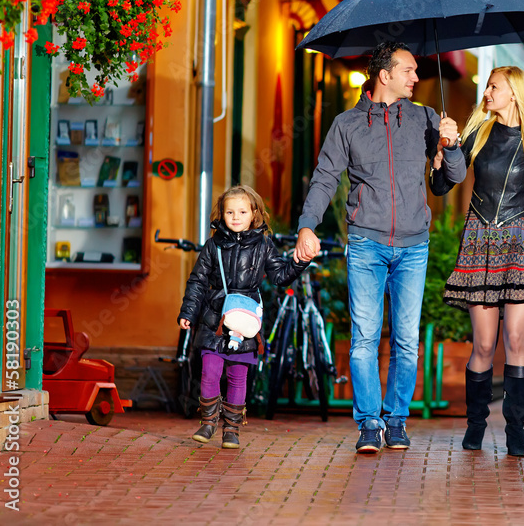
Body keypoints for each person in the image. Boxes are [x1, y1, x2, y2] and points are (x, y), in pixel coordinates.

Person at [294, 41, 465, 454]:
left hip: (413, 246)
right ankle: (369, 423)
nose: (416, 77)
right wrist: (306, 226)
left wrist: (451, 145)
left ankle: (397, 420)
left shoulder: (426, 118)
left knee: (407, 340)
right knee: (365, 338)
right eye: (408, 70)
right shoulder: (347, 125)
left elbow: (449, 181)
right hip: (367, 242)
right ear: (384, 75)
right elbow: (324, 178)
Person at [430, 66, 524, 457]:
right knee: (485, 344)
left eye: (493, 87)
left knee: (516, 339)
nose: (486, 92)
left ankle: (515, 431)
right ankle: (475, 426)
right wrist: (445, 152)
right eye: (487, 86)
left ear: (513, 94)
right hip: (480, 240)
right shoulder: (476, 133)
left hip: (522, 239)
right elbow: (441, 188)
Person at [178, 185, 308, 449]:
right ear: (222, 214)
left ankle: (232, 428)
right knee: (210, 371)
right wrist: (188, 312)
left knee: (239, 375)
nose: (235, 217)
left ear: (254, 214)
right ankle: (208, 421)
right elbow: (198, 281)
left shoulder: (263, 245)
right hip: (215, 319)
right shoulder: (213, 245)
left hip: (246, 320)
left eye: (242, 211)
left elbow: (279, 276)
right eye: (229, 212)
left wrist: (298, 262)